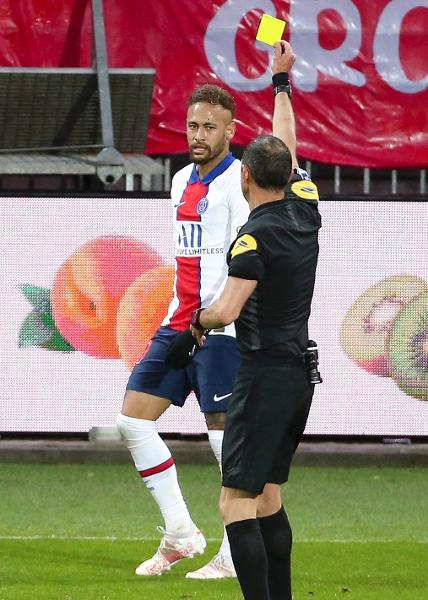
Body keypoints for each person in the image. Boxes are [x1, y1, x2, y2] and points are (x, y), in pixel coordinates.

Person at [115, 41, 308, 581]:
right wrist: (183, 317)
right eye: (192, 125)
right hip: (181, 320)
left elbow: (286, 161)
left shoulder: (241, 182)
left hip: (222, 328)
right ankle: (181, 533)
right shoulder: (178, 181)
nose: (198, 134)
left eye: (209, 127)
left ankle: (231, 547)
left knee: (227, 441)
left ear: (230, 132)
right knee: (132, 421)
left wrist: (279, 81)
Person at [189, 63, 321, 599]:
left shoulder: (252, 240)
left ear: (244, 176)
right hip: (298, 376)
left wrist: (195, 321)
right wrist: (281, 84)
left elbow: (226, 311)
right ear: (286, 176)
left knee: (235, 502)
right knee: (268, 496)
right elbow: (284, 147)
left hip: (262, 377)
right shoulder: (305, 211)